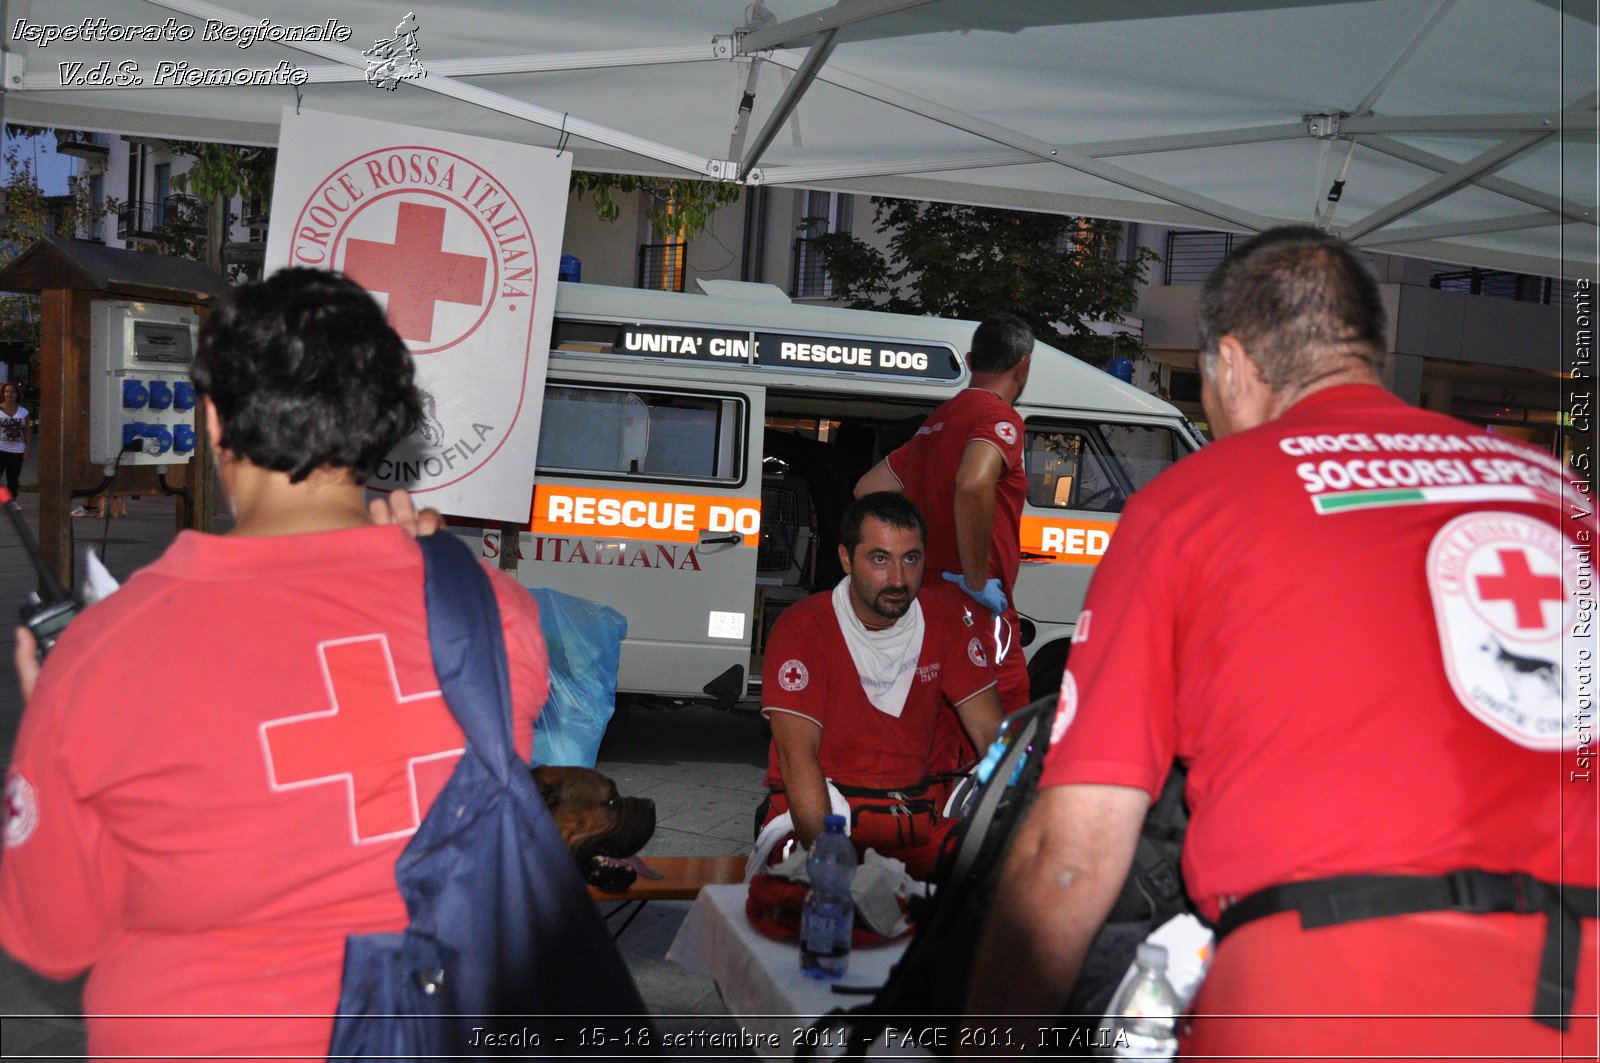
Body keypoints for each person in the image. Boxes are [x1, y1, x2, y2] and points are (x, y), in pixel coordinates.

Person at [966, 226, 1596, 1058]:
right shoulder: (1562, 495)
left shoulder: (1197, 502)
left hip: (1323, 994)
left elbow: (1072, 854)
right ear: (1369, 350)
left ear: (1233, 363)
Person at [0, 269, 550, 1061]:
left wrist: (47, 713)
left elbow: (55, 936)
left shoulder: (104, 652)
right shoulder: (493, 613)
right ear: (379, 423)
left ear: (215, 420)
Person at [759, 492, 1004, 879]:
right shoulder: (803, 626)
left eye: (911, 559)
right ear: (845, 559)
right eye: (879, 559)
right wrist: (829, 862)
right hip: (820, 822)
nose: (898, 579)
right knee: (822, 911)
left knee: (1006, 881)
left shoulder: (946, 619)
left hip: (912, 826)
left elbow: (992, 733)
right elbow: (797, 757)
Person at [856, 313, 1035, 779]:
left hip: (926, 604)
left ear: (972, 362)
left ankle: (931, 832)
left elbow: (867, 489)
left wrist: (906, 556)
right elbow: (973, 483)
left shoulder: (938, 422)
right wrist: (976, 579)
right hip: (976, 608)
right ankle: (999, 831)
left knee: (936, 730)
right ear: (1024, 367)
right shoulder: (999, 419)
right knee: (1004, 733)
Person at [0, 381, 27, 498]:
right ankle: (4, 498)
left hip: (17, 450)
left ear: (17, 394)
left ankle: (11, 501)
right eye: (6, 392)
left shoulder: (24, 412)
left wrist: (27, 449)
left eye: (12, 392)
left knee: (13, 479)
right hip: (1, 448)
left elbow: (27, 431)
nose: (9, 394)